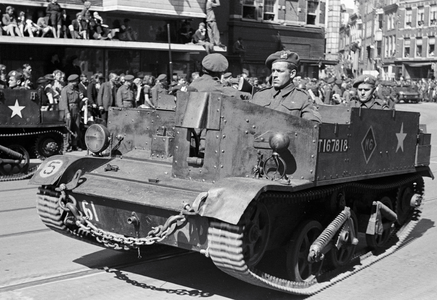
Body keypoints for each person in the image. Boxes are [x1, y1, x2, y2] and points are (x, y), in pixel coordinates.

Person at [250, 50, 321, 123]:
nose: (274, 75)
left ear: (292, 74)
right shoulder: (260, 95)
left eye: (279, 71)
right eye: (273, 71)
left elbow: (313, 127)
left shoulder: (303, 98)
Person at [59, 74, 83, 151]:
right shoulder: (65, 90)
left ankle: (74, 144)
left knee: (76, 127)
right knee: (68, 128)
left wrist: (80, 99)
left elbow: (78, 101)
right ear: (72, 82)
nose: (77, 82)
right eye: (76, 81)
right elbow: (64, 102)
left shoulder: (76, 90)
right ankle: (66, 145)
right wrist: (67, 112)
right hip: (69, 109)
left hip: (76, 109)